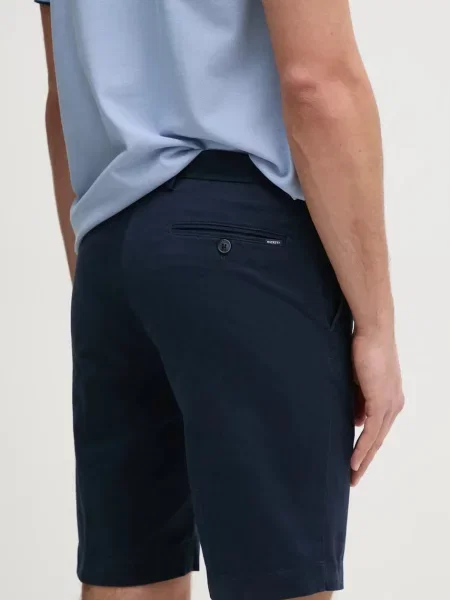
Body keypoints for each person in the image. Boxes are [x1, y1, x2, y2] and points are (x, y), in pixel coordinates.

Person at [38, 1, 404, 599]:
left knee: (129, 582)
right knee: (277, 585)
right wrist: (377, 325)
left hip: (108, 246)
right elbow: (317, 80)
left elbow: (62, 100)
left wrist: (103, 284)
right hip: (243, 240)